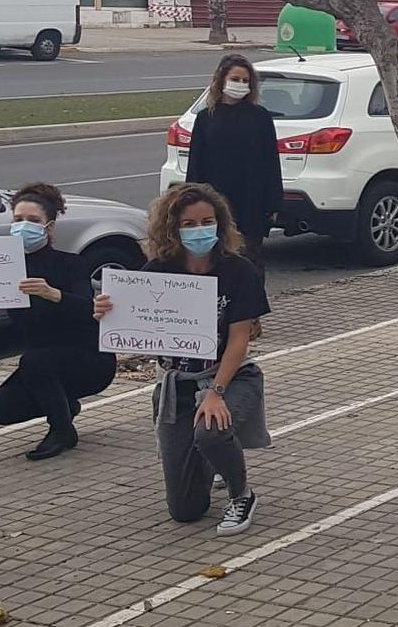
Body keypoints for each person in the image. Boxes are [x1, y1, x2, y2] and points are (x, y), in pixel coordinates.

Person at [97, 184, 270, 535]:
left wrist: (217, 392)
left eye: (207, 222)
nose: (199, 230)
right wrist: (104, 311)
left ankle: (242, 494)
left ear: (220, 225)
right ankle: (210, 463)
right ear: (172, 228)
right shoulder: (158, 270)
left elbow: (240, 338)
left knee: (210, 431)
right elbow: (128, 317)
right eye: (189, 224)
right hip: (178, 383)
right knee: (185, 510)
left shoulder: (239, 271)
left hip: (230, 377)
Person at [0, 183, 115, 460]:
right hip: (42, 366)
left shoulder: (69, 264)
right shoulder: (6, 268)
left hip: (89, 360)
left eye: (33, 221)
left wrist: (53, 294)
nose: (23, 226)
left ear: (49, 227)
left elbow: (90, 313)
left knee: (34, 360)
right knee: (3, 409)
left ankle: (62, 431)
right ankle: (64, 406)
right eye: (18, 220)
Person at [184, 54, 281, 282]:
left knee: (250, 262)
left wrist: (274, 202)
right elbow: (196, 163)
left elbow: (271, 161)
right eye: (235, 79)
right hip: (216, 202)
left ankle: (253, 310)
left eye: (245, 80)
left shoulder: (260, 117)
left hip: (251, 203)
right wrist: (191, 200)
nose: (240, 85)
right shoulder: (206, 118)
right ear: (222, 80)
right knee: (218, 260)